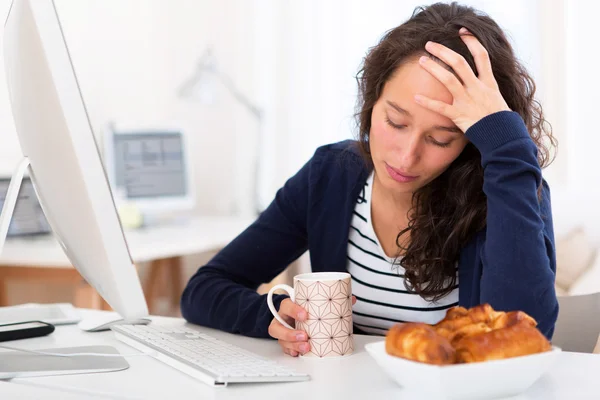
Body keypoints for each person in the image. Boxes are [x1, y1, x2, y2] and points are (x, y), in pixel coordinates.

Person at [181, 2, 558, 357]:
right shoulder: (332, 175)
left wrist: (507, 146)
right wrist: (276, 316)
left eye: (440, 138)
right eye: (395, 122)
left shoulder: (511, 187)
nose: (406, 156)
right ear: (371, 101)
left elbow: (524, 336)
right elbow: (204, 289)